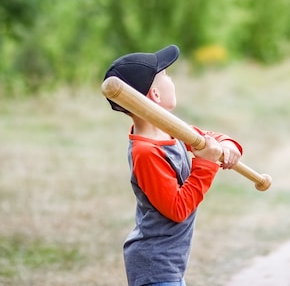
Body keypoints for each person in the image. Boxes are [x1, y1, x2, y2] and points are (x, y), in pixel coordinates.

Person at [103, 44, 243, 286]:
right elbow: (177, 209)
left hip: (168, 265)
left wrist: (228, 146)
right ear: (155, 95)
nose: (171, 79)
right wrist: (205, 164)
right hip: (154, 267)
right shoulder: (146, 152)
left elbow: (205, 137)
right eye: (166, 75)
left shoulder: (169, 129)